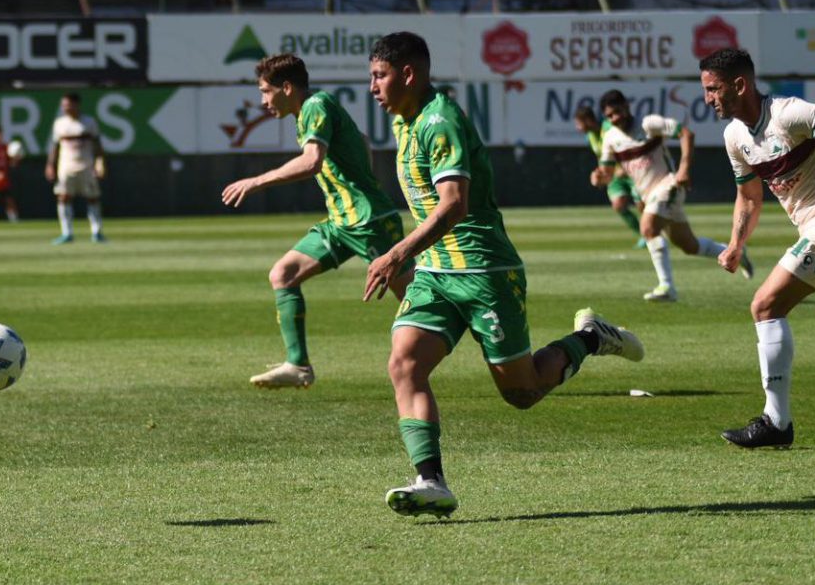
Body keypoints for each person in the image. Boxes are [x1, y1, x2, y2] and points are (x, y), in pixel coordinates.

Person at [364, 32, 644, 518]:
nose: (372, 87)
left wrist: (396, 254)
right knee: (404, 364)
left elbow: (454, 205)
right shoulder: (405, 123)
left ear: (407, 74)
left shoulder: (439, 121)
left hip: (485, 270)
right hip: (436, 272)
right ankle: (430, 481)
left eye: (379, 76)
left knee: (522, 391)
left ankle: (591, 338)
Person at [699, 47, 815, 448]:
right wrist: (735, 244)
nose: (708, 99)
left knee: (765, 305)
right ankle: (776, 423)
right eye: (705, 90)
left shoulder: (788, 114)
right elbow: (749, 197)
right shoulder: (734, 137)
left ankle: (776, 423)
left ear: (740, 84)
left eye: (714, 89)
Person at [221, 53, 414, 389]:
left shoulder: (315, 105)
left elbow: (311, 162)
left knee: (417, 297)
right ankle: (298, 366)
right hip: (342, 222)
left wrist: (255, 182)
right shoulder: (309, 111)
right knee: (283, 274)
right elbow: (362, 141)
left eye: (266, 92)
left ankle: (488, 338)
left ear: (286, 87)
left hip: (368, 220)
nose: (263, 101)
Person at [590, 88, 752, 302]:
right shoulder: (610, 138)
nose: (615, 118)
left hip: (669, 184)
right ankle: (736, 252)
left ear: (627, 106)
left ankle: (667, 287)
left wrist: (684, 169)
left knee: (647, 228)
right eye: (610, 116)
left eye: (618, 111)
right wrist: (599, 178)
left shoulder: (649, 124)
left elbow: (686, 133)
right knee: (689, 246)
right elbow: (607, 173)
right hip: (648, 195)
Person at [574, 104, 644, 247]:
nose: (577, 128)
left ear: (587, 120)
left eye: (578, 123)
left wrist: (626, 166)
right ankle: (643, 235)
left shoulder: (610, 128)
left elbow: (627, 145)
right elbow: (602, 157)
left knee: (641, 206)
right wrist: (599, 172)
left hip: (631, 171)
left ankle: (652, 233)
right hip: (614, 174)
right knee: (618, 205)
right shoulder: (590, 136)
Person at [45, 92, 107, 244]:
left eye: (68, 105)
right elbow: (54, 147)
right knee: (63, 197)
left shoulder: (89, 122)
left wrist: (101, 162)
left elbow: (98, 145)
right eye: (63, 105)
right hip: (66, 167)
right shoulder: (59, 123)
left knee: (93, 198)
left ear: (76, 104)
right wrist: (50, 165)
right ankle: (67, 233)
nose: (65, 108)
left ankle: (96, 232)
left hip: (86, 165)